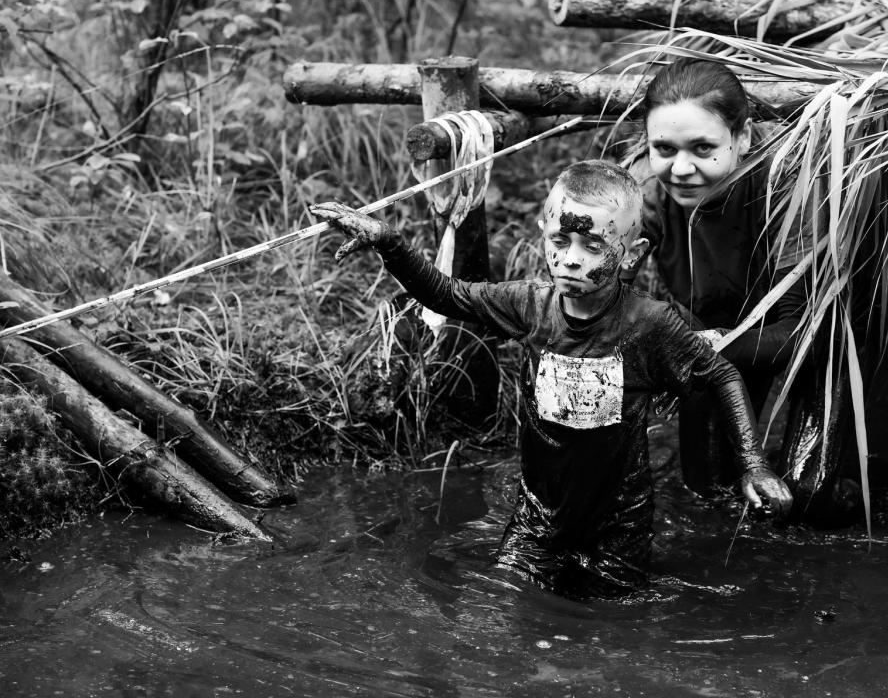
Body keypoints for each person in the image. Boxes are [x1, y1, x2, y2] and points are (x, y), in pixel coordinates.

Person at [310, 160, 792, 598]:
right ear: (543, 233)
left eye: (593, 245)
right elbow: (447, 295)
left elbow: (722, 373)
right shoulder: (529, 304)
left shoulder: (650, 324)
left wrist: (753, 462)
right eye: (560, 242)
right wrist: (388, 243)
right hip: (538, 515)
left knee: (610, 619)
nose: (571, 259)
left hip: (619, 522)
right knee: (503, 601)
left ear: (631, 253)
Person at [629, 57, 860, 526]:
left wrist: (704, 348)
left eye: (702, 148)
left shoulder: (788, 188)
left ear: (744, 138)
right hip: (712, 343)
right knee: (709, 494)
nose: (681, 168)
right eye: (664, 149)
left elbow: (801, 332)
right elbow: (603, 295)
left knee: (811, 495)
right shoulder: (643, 191)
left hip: (814, 344)